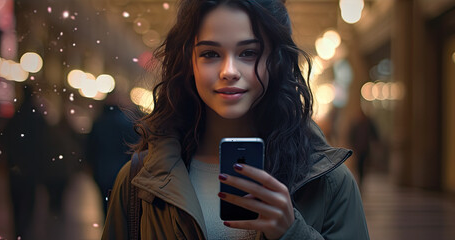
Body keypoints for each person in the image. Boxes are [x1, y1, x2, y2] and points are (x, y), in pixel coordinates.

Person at [103, 0, 369, 239]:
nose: (229, 71)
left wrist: (292, 232)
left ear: (275, 61)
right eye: (210, 54)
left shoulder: (329, 183)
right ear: (189, 62)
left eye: (248, 53)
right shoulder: (139, 184)